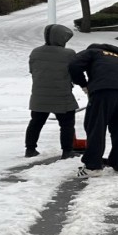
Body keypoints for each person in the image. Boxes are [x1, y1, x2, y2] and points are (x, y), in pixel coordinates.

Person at [69, 43, 118, 177]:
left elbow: (73, 65)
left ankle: (93, 166)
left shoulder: (93, 52)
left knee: (96, 126)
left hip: (103, 90)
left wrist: (84, 84)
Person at [25, 23, 78, 158]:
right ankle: (67, 151)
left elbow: (32, 71)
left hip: (39, 95)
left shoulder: (35, 52)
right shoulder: (69, 54)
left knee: (36, 122)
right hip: (62, 95)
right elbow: (74, 73)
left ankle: (30, 149)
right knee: (67, 124)